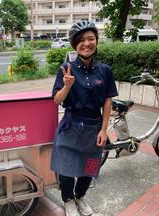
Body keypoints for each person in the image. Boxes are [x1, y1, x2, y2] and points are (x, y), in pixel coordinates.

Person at [51, 21, 118, 216]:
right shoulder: (66, 68)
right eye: (81, 40)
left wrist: (104, 129)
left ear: (96, 41)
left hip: (94, 126)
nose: (86, 43)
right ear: (74, 45)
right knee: (66, 166)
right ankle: (68, 200)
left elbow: (107, 101)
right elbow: (57, 100)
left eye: (91, 39)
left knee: (89, 165)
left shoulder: (104, 70)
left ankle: (80, 196)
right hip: (70, 125)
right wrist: (67, 86)